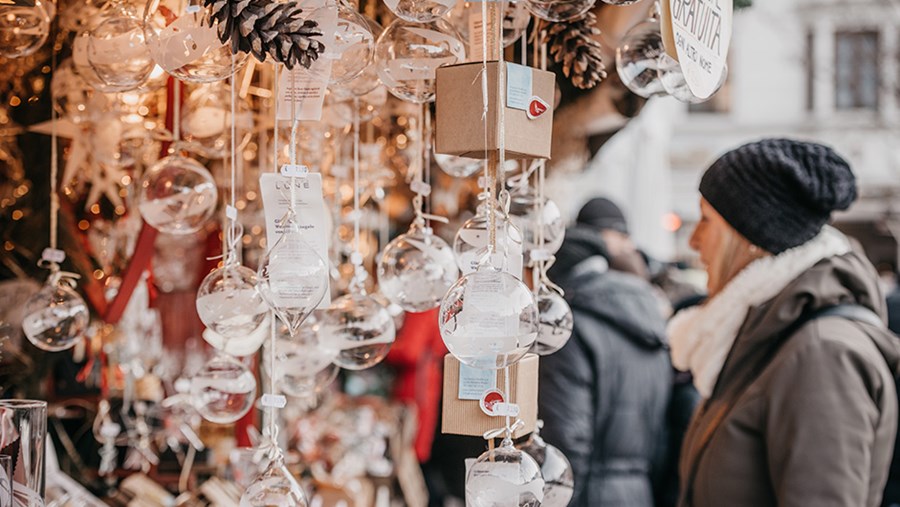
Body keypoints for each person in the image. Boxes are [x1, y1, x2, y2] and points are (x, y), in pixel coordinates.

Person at [669, 138, 900, 507]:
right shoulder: (765, 335)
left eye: (707, 221)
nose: (695, 241)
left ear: (751, 239)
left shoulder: (822, 355)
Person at [540, 197, 672, 507]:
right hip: (638, 494)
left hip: (589, 495)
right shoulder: (652, 316)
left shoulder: (570, 325)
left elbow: (567, 440)